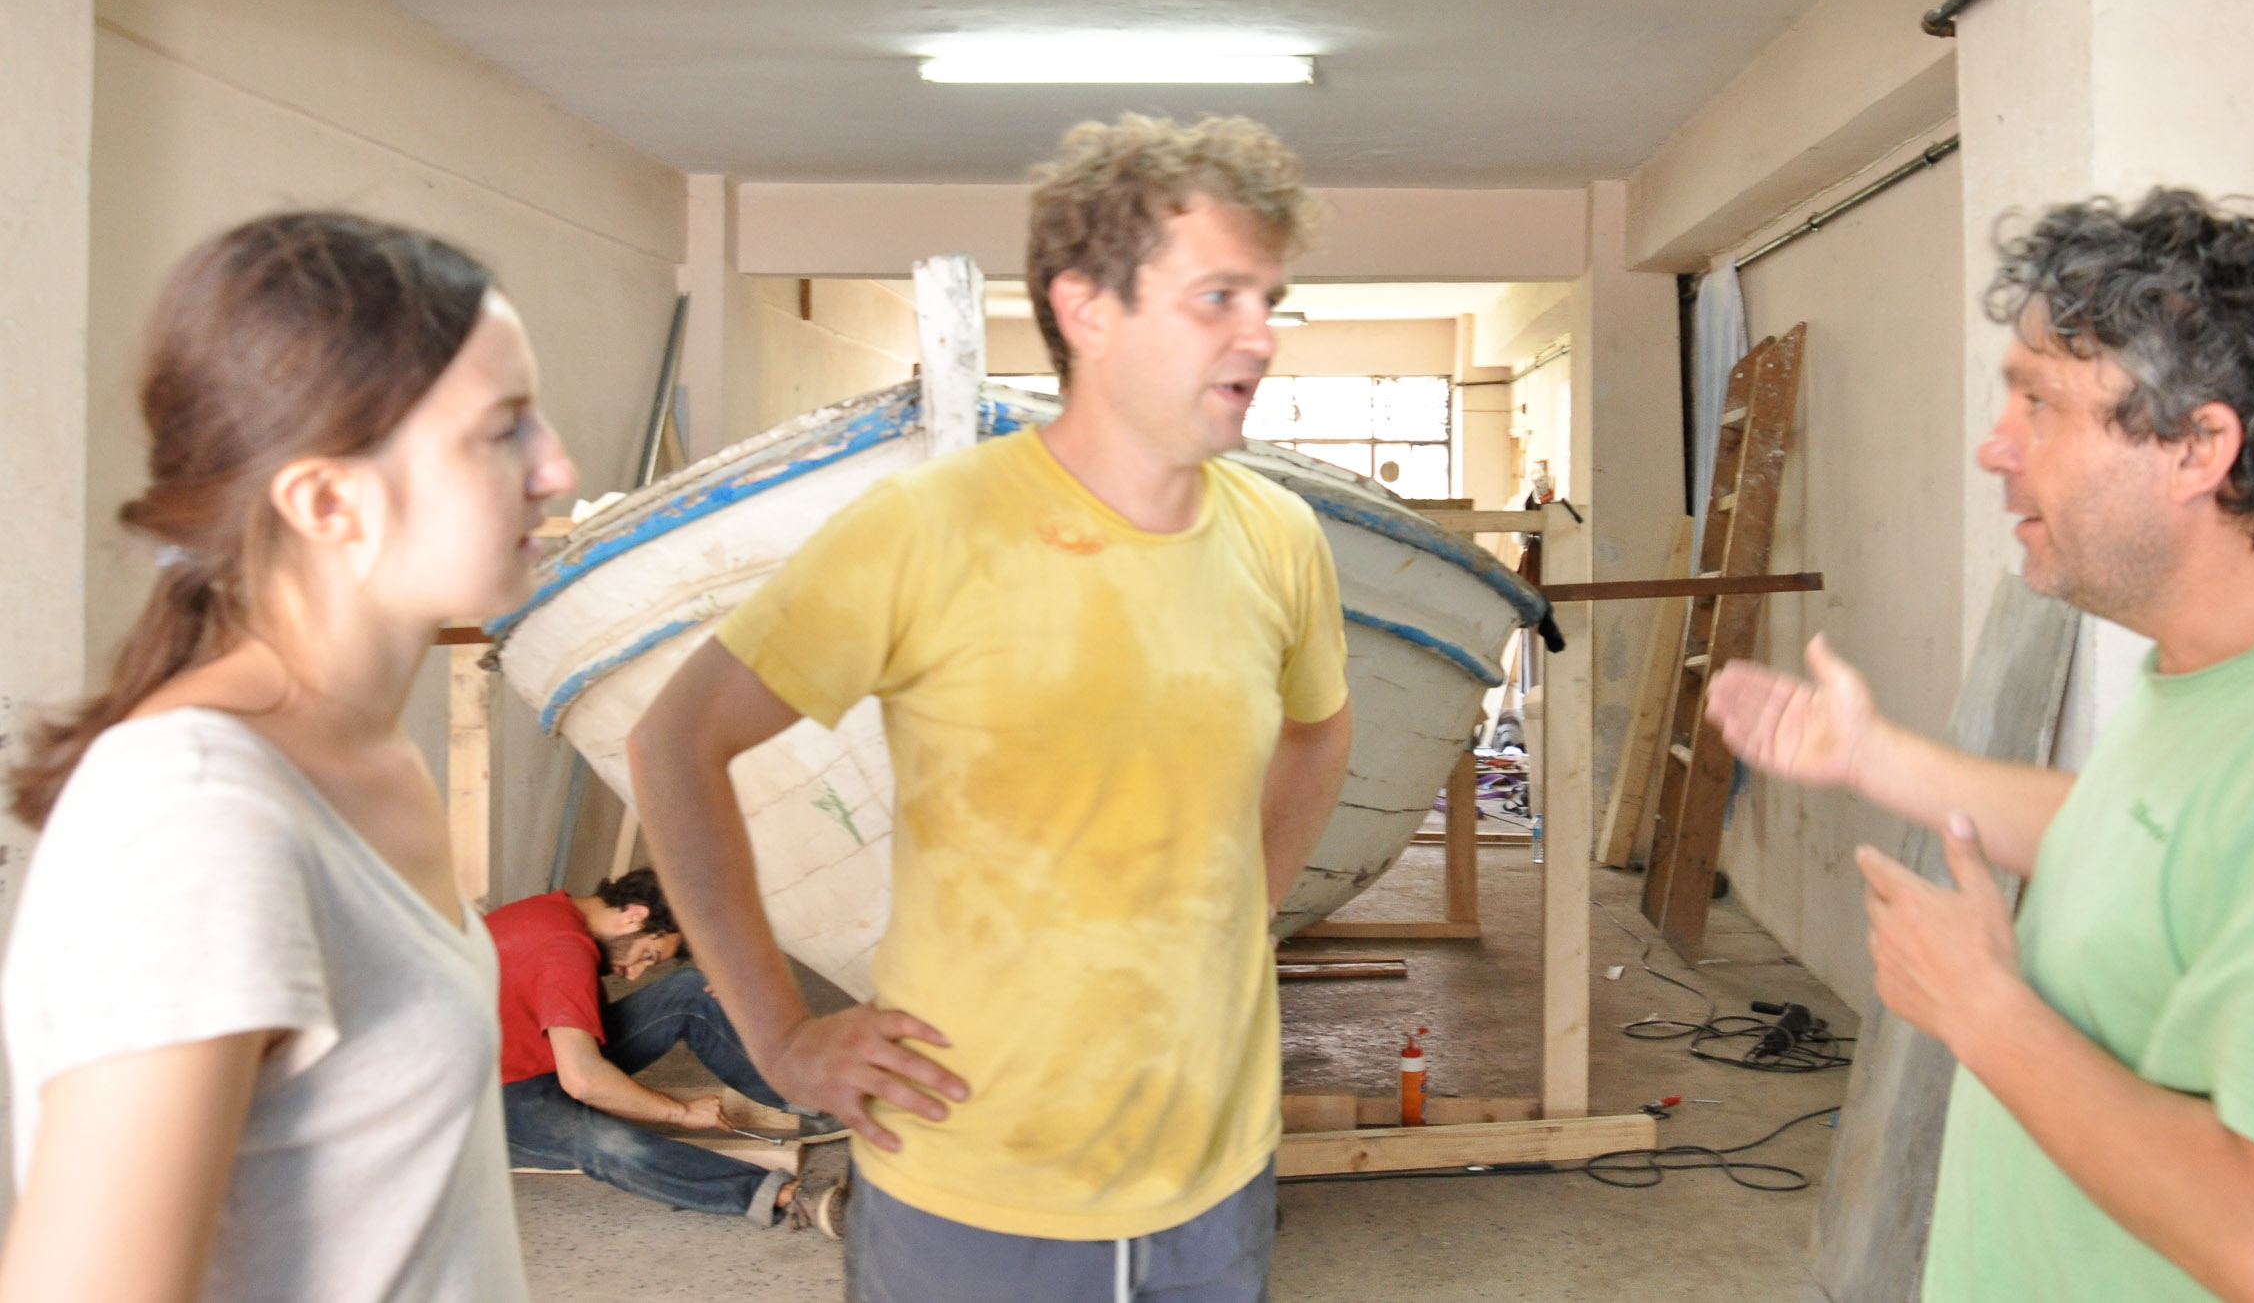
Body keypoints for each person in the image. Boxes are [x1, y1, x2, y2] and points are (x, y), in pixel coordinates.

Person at [628, 113, 1354, 1302]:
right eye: (1216, 298)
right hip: (969, 1182)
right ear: (1087, 310)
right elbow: (675, 743)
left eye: (1267, 300)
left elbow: (1317, 732)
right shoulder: (925, 530)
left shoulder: (1279, 537)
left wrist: (1244, 912)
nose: (1259, 336)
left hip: (1214, 1177)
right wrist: (780, 1036)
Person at [1706, 190, 2254, 1303]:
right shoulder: (2229, 673)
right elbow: (2149, 844)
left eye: (2039, 403)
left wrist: (1982, 1011)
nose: (1993, 446)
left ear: (2197, 446)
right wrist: (1874, 756)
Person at [0, 212, 577, 1303]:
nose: (557, 465)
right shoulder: (195, 817)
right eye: (503, 429)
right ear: (325, 499)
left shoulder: (368, 757)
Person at [488, 866, 847, 1225]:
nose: (633, 974)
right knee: (607, 1141)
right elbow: (583, 1081)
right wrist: (681, 1112)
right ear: (634, 916)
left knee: (689, 992)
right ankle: (784, 1196)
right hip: (486, 1111)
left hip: (533, 1061)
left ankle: (815, 1101)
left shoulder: (555, 913)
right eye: (648, 955)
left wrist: (712, 963)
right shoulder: (562, 950)